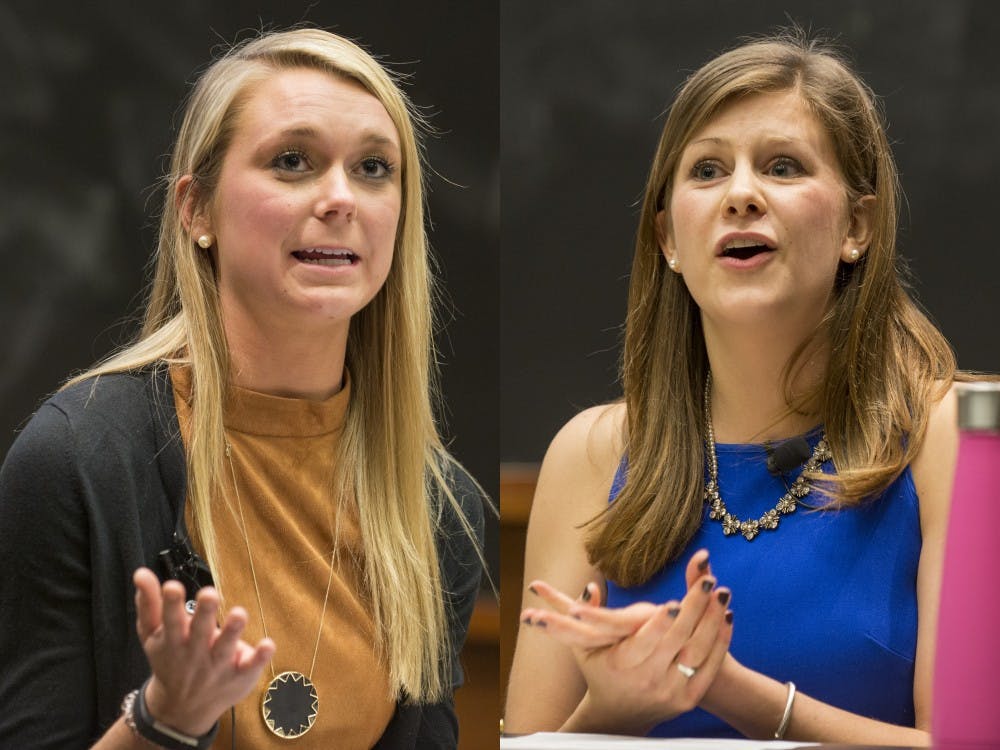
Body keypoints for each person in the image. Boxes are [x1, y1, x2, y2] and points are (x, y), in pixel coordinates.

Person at [0, 28, 486, 750]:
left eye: (373, 168)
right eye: (292, 161)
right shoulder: (76, 460)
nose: (340, 197)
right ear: (196, 210)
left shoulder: (437, 507)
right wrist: (160, 722)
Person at [504, 31, 978, 745]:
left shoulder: (956, 436)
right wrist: (617, 709)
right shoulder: (591, 453)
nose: (741, 195)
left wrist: (734, 692)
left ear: (857, 225)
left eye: (783, 166)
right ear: (668, 238)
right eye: (708, 170)